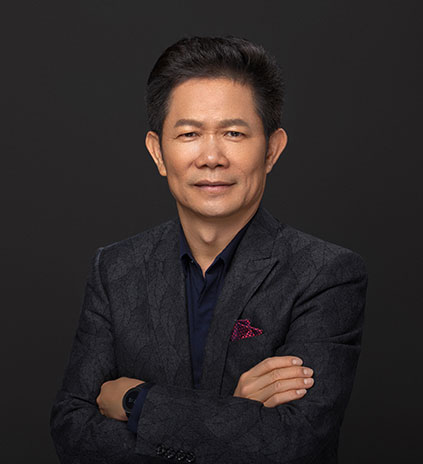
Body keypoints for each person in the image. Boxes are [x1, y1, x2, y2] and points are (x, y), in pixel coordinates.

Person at [50, 36, 368, 464]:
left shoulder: (325, 274)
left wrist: (137, 401)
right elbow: (73, 433)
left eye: (234, 133)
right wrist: (235, 413)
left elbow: (292, 444)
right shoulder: (116, 269)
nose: (211, 157)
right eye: (189, 134)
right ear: (158, 152)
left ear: (271, 149)